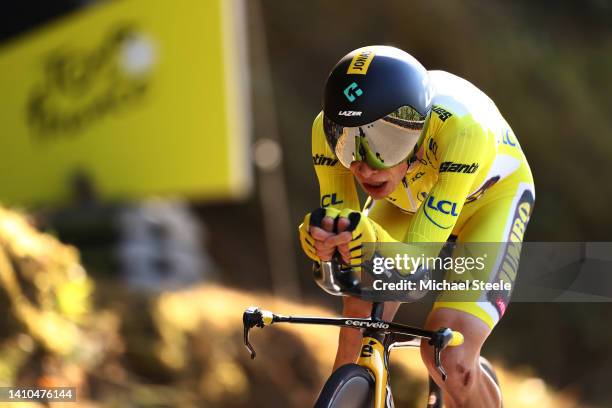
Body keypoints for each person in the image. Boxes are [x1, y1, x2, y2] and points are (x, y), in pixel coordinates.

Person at [299, 45, 535, 408]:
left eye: (386, 145)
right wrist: (327, 240)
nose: (364, 167)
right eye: (349, 145)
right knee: (357, 319)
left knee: (447, 357)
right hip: (409, 201)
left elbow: (417, 262)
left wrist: (368, 240)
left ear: (417, 129)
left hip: (489, 202)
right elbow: (345, 230)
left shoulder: (463, 132)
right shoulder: (326, 131)